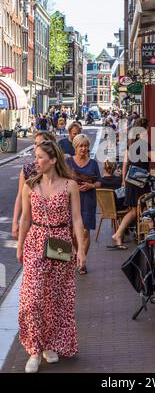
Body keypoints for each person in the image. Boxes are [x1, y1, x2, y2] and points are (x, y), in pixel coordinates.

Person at [17, 141, 86, 373]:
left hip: (60, 244)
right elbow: (25, 219)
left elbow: (77, 219)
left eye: (39, 157)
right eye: (35, 157)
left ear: (53, 160)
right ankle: (34, 350)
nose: (35, 161)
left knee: (55, 300)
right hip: (35, 242)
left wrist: (81, 251)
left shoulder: (70, 186)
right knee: (32, 299)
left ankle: (49, 345)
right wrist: (19, 246)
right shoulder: (30, 186)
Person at [110, 117, 155, 249]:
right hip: (140, 182)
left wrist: (123, 181)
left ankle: (143, 235)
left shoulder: (131, 144)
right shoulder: (144, 145)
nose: (147, 133)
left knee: (138, 210)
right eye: (146, 131)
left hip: (131, 181)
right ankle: (125, 234)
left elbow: (126, 163)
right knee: (141, 209)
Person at [66, 134, 101, 274]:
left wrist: (90, 186)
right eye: (81, 146)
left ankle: (82, 261)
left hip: (88, 200)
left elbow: (99, 182)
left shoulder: (93, 163)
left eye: (86, 146)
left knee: (85, 232)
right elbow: (62, 179)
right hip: (71, 201)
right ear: (75, 147)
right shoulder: (68, 162)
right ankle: (77, 252)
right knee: (72, 234)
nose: (84, 148)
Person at [12, 131, 57, 239]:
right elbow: (19, 196)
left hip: (56, 223)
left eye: (40, 143)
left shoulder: (59, 168)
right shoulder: (27, 169)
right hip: (33, 220)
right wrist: (15, 222)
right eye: (35, 143)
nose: (36, 146)